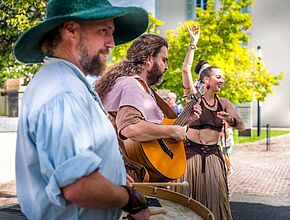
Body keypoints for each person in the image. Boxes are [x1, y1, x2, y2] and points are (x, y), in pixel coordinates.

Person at [13, 0, 151, 219]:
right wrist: (130, 199)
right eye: (104, 30)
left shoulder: (66, 83)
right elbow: (80, 186)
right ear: (71, 30)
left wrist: (109, 175)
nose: (112, 43)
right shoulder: (63, 92)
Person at [95, 34, 201, 182]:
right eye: (163, 60)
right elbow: (130, 128)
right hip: (123, 174)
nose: (166, 67)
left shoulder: (135, 85)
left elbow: (152, 127)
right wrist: (171, 130)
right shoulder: (132, 85)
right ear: (149, 59)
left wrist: (184, 120)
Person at [173, 25, 245, 220]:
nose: (223, 80)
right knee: (188, 202)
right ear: (206, 80)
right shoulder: (193, 98)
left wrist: (231, 119)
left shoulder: (224, 103)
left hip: (213, 157)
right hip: (191, 157)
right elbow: (185, 69)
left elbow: (242, 126)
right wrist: (193, 44)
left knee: (215, 202)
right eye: (219, 77)